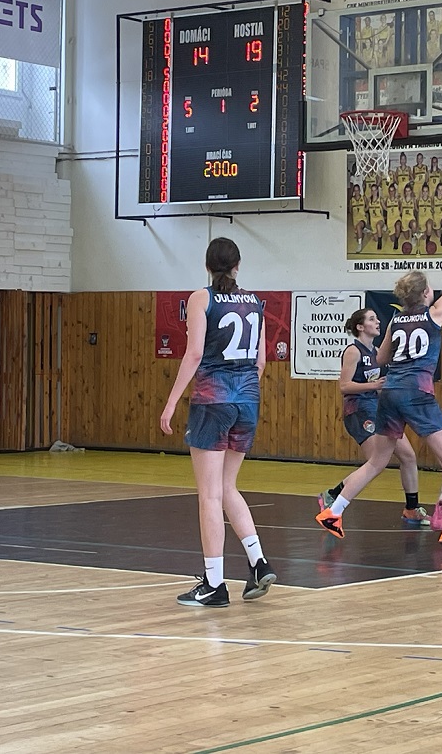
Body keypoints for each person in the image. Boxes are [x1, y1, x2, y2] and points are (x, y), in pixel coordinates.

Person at [314, 214, 442, 554]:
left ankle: (334, 512)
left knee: (377, 462)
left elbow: (380, 359)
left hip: (390, 393)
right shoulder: (433, 313)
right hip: (416, 393)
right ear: (425, 293)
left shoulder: (395, 320)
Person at [160, 237, 277, 607]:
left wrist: (171, 402)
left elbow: (195, 353)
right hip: (248, 401)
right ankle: (258, 562)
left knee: (209, 494)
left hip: (213, 401)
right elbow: (261, 362)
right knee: (227, 487)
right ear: (238, 266)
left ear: (208, 266)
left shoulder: (202, 298)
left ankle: (214, 584)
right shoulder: (255, 303)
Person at [320, 308, 429, 526]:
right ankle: (333, 497)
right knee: (376, 462)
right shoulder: (353, 351)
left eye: (377, 318)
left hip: (378, 408)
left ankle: (411, 508)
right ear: (360, 327)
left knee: (408, 456)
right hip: (358, 410)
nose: (378, 321)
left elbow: (379, 387)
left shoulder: (377, 352)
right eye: (372, 319)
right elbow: (344, 386)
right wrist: (373, 386)